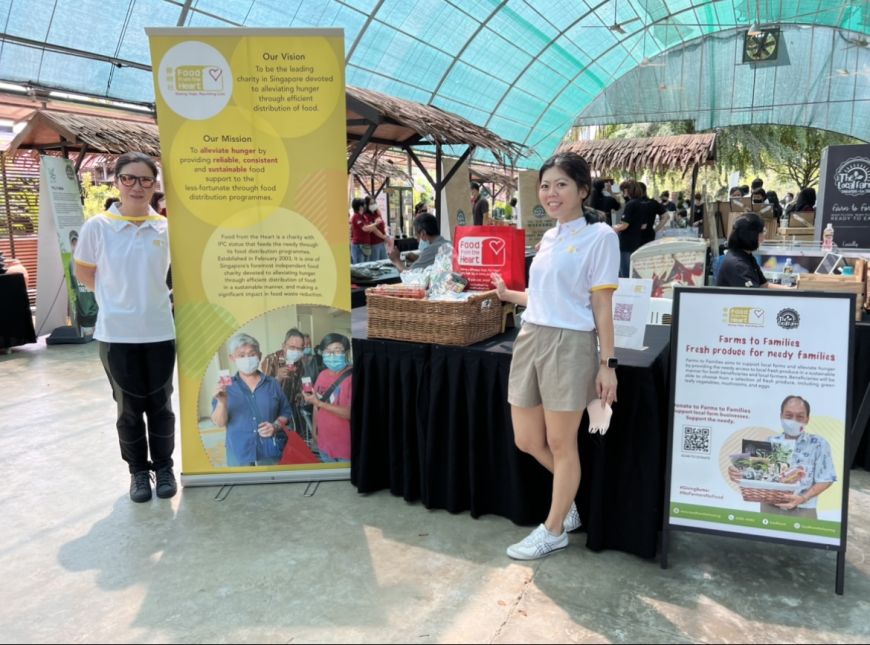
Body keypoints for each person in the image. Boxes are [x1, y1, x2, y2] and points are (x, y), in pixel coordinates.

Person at [489, 152, 619, 560]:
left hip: (570, 343)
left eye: (561, 184)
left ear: (583, 190)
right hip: (531, 337)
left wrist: (607, 364)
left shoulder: (600, 237)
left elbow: (600, 307)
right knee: (527, 439)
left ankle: (554, 526)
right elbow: (549, 296)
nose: (551, 193)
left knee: (563, 445)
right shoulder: (548, 237)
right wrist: (511, 296)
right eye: (545, 185)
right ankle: (568, 503)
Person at [73, 151, 177, 503]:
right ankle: (138, 473)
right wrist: (114, 301)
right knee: (129, 409)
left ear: (154, 185)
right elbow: (85, 273)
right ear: (117, 182)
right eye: (129, 178)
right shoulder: (98, 227)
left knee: (161, 406)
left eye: (145, 179)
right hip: (117, 335)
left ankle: (164, 467)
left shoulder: (165, 227)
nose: (137, 186)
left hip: (161, 332)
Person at [729, 396, 836, 519]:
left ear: (807, 419)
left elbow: (826, 478)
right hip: (769, 508)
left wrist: (803, 498)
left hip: (803, 510)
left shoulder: (819, 444)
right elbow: (757, 474)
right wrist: (738, 470)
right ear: (781, 416)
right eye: (788, 416)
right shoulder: (771, 441)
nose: (794, 421)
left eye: (800, 416)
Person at [212, 333, 292, 467]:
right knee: (240, 487)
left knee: (271, 486)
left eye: (251, 354)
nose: (247, 359)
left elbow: (286, 413)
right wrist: (222, 402)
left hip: (269, 450)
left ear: (259, 356)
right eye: (241, 355)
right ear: (232, 358)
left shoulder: (272, 384)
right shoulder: (225, 387)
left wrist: (275, 426)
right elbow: (219, 423)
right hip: (238, 451)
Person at [261, 328, 318, 440]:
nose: (295, 351)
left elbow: (300, 388)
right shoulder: (271, 360)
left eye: (299, 348)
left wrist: (306, 394)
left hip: (292, 408)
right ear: (284, 345)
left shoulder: (300, 363)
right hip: (273, 408)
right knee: (274, 439)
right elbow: (262, 390)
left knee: (293, 438)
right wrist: (277, 378)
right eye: (292, 347)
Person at [303, 333, 353, 462]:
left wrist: (320, 404)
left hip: (346, 448)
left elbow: (350, 413)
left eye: (337, 351)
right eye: (327, 351)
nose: (331, 355)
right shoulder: (322, 375)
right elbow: (316, 405)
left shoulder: (353, 377)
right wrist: (314, 431)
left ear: (346, 353)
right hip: (324, 444)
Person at [716, 213, 789, 289]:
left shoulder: (747, 256)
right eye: (762, 232)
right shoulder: (738, 265)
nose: (764, 237)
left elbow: (764, 285)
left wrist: (791, 289)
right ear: (751, 235)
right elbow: (753, 296)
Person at [613, 180, 650, 277]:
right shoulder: (643, 204)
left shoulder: (630, 204)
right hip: (636, 240)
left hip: (626, 242)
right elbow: (644, 225)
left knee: (624, 272)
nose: (622, 193)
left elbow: (624, 225)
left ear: (627, 190)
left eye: (623, 190)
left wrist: (614, 228)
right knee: (632, 271)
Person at [362, 195, 388, 261]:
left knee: (384, 262)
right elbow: (373, 229)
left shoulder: (377, 213)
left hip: (382, 242)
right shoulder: (366, 216)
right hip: (373, 243)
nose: (373, 205)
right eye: (371, 203)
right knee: (376, 263)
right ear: (366, 205)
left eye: (374, 203)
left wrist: (385, 234)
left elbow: (383, 225)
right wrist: (383, 236)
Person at [349, 198, 370, 264]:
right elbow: (365, 228)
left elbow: (368, 229)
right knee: (360, 266)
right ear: (360, 206)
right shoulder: (356, 216)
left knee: (366, 266)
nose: (365, 206)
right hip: (358, 246)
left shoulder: (363, 217)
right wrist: (375, 223)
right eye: (364, 204)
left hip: (366, 245)